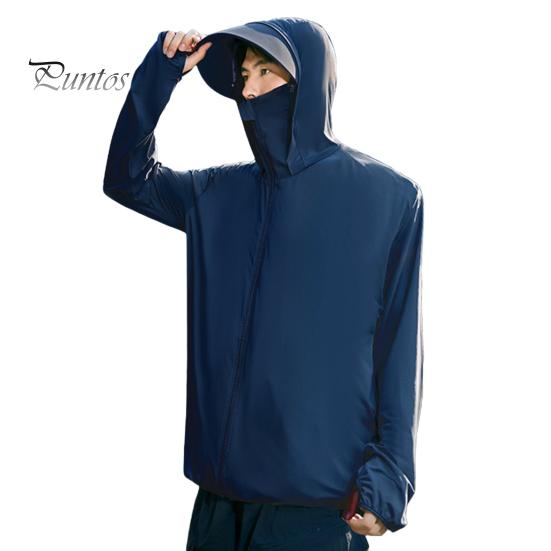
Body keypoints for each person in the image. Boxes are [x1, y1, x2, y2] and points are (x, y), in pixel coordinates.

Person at [103, 17, 424, 551]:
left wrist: (390, 479)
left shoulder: (388, 198)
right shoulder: (214, 194)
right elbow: (126, 177)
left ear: (308, 81)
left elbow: (398, 347)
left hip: (315, 509)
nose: (249, 90)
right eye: (244, 75)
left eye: (266, 71)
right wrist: (160, 76)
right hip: (217, 505)